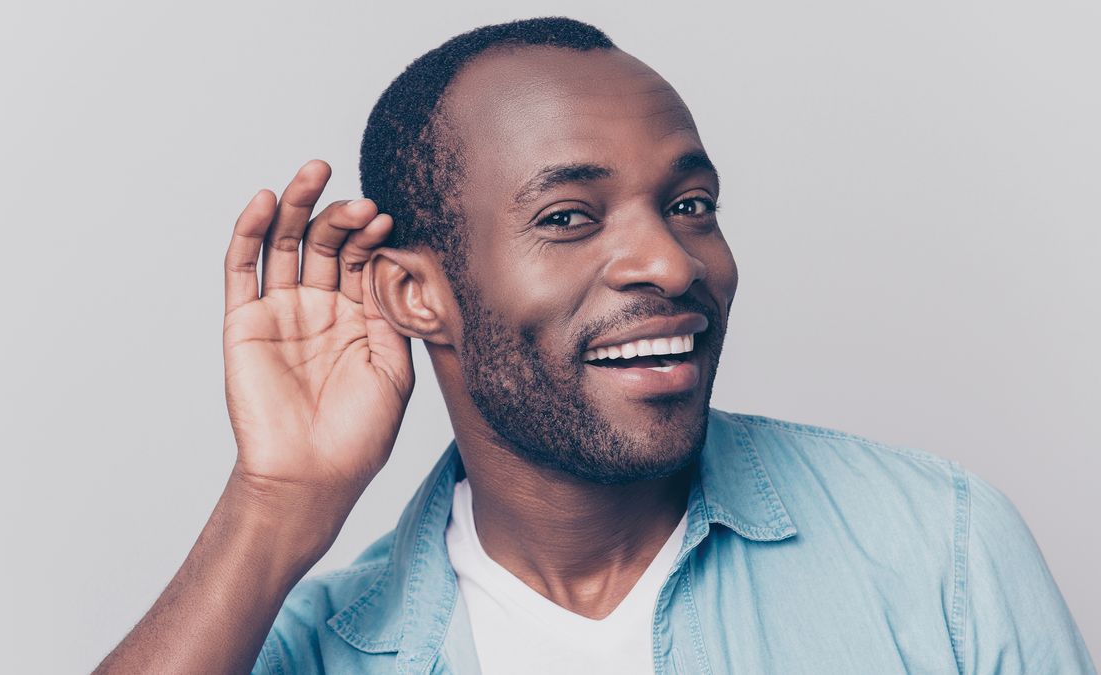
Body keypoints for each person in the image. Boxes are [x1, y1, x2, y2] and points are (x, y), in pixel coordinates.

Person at [93, 17, 1095, 675]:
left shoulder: (937, 554)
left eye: (690, 204)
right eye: (570, 217)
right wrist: (276, 506)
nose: (669, 261)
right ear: (415, 293)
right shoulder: (315, 647)